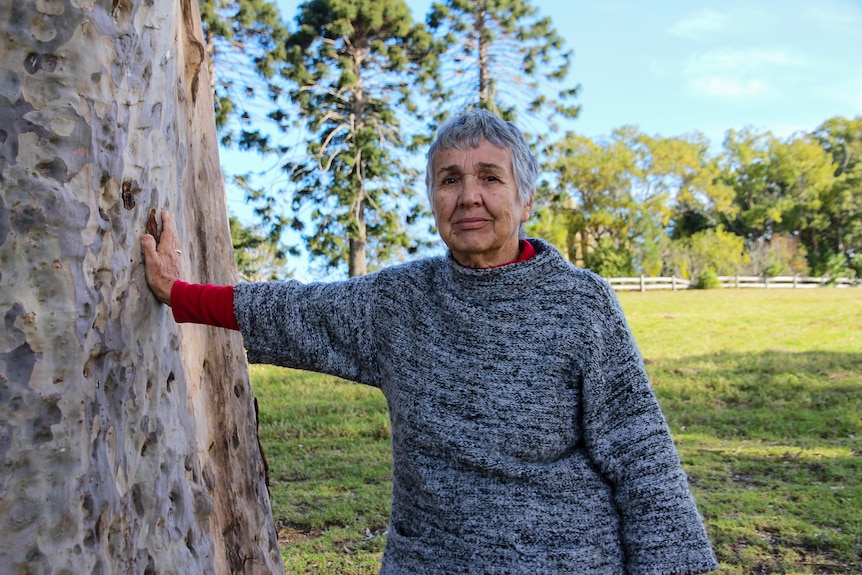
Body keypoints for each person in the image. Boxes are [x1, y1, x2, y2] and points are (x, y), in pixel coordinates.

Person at [142, 109, 718, 575]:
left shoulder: (581, 303)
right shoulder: (401, 301)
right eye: (450, 180)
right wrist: (178, 293)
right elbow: (294, 311)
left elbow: (641, 450)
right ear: (433, 201)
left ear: (525, 200)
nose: (469, 196)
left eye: (490, 177)